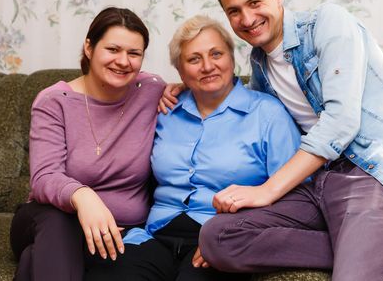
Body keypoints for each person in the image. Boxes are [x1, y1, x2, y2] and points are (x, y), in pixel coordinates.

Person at [160, 0, 383, 280]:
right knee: (217, 237)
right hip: (325, 181)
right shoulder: (261, 64)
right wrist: (189, 86)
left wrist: (266, 190)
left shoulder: (328, 23)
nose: (247, 19)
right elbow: (246, 103)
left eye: (255, 3)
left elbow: (340, 123)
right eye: (234, 11)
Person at [85, 15, 301, 281]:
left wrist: (231, 235)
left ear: (232, 59)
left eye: (216, 54)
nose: (207, 66)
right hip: (154, 235)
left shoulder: (268, 114)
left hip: (222, 236)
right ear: (180, 71)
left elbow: (296, 196)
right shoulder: (164, 110)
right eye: (194, 59)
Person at [9, 7, 166, 281]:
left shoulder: (151, 91)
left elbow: (201, 87)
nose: (123, 61)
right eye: (113, 49)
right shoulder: (53, 101)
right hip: (48, 219)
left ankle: (34, 260)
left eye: (134, 53)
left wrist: (181, 89)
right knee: (60, 219)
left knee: (37, 259)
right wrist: (83, 197)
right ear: (89, 47)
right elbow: (44, 177)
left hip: (120, 231)